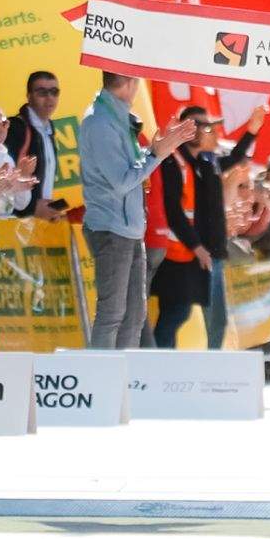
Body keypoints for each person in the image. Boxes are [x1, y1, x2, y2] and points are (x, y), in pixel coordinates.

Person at [81, 74, 193, 350]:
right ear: (131, 83)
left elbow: (130, 170)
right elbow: (121, 181)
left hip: (129, 228)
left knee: (134, 317)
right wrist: (157, 154)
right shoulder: (100, 122)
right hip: (110, 227)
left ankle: (124, 379)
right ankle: (100, 382)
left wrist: (153, 150)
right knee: (112, 315)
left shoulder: (116, 116)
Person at [152, 104, 261, 349]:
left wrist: (252, 130)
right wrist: (197, 246)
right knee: (176, 313)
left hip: (208, 251)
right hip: (184, 252)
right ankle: (158, 367)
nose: (206, 130)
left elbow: (234, 158)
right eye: (198, 125)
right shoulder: (175, 161)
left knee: (212, 318)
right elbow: (174, 211)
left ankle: (208, 370)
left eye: (207, 125)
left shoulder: (206, 160)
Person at [3, 70, 66, 220]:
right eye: (42, 92)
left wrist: (48, 210)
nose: (49, 98)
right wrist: (32, 208)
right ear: (29, 96)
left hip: (34, 225)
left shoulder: (49, 130)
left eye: (54, 92)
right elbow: (1, 176)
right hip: (12, 223)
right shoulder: (16, 128)